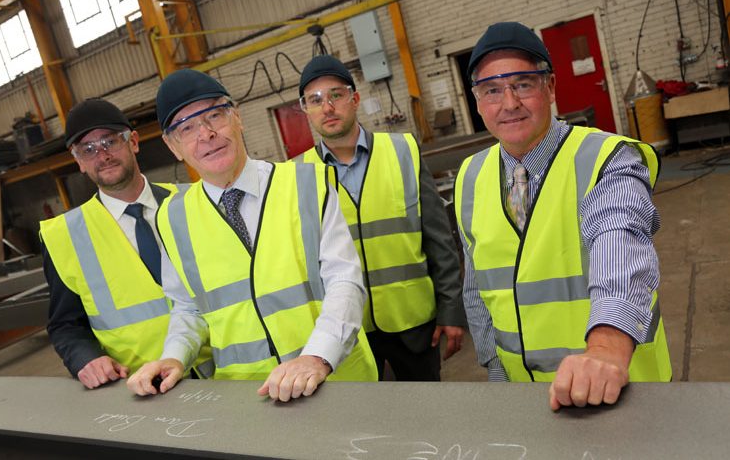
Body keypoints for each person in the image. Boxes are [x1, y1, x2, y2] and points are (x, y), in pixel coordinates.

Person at [454, 22, 671, 409]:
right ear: (476, 101)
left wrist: (606, 348)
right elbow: (476, 283)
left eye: (522, 84)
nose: (508, 104)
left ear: (550, 87)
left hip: (618, 391)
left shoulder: (605, 159)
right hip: (525, 396)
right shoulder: (470, 177)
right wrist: (494, 366)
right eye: (491, 90)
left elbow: (619, 240)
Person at [127, 69, 377, 402]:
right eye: (187, 128)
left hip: (337, 382)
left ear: (237, 117)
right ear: (173, 146)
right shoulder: (172, 218)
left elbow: (344, 279)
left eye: (214, 115)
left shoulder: (307, 184)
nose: (206, 134)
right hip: (248, 398)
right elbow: (188, 308)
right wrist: (174, 356)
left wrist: (317, 356)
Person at [293, 55, 466, 382]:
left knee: (429, 418)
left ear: (355, 99)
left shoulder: (402, 150)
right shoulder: (297, 175)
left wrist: (451, 309)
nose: (327, 107)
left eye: (336, 95)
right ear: (306, 110)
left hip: (413, 325)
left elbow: (439, 239)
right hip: (347, 332)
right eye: (314, 100)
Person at [40, 98, 203, 389]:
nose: (102, 155)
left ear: (134, 142)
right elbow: (65, 324)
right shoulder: (64, 235)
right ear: (78, 161)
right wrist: (85, 359)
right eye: (88, 150)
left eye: (109, 141)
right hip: (144, 385)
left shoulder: (193, 202)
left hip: (222, 371)